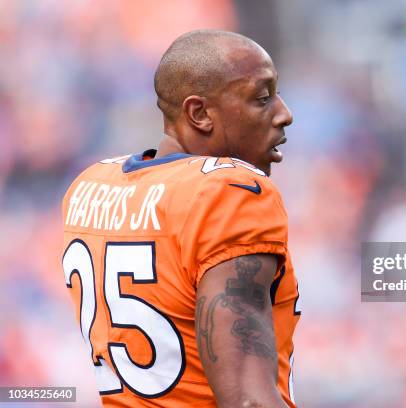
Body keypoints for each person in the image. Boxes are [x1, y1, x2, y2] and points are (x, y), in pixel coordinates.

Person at [61, 30, 300, 407]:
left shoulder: (89, 187)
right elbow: (247, 400)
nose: (284, 114)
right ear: (200, 113)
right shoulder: (230, 191)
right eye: (262, 98)